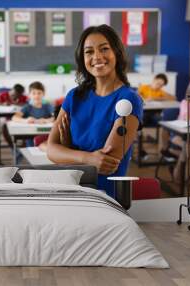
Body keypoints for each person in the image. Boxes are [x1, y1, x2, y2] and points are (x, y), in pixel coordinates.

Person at [47, 24, 143, 198]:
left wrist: (67, 149)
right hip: (70, 190)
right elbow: (51, 150)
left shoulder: (128, 100)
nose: (97, 57)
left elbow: (106, 165)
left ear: (117, 53)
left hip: (104, 197)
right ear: (82, 58)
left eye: (104, 49)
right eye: (89, 52)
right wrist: (88, 158)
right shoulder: (74, 96)